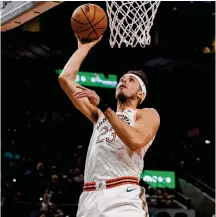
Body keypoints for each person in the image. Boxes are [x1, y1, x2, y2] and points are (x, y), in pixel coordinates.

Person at [58, 36, 160, 217]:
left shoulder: (146, 113)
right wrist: (83, 48)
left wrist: (103, 106)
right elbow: (65, 79)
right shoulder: (100, 115)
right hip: (89, 196)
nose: (123, 81)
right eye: (122, 79)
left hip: (122, 195)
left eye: (131, 80)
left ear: (141, 94)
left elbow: (135, 141)